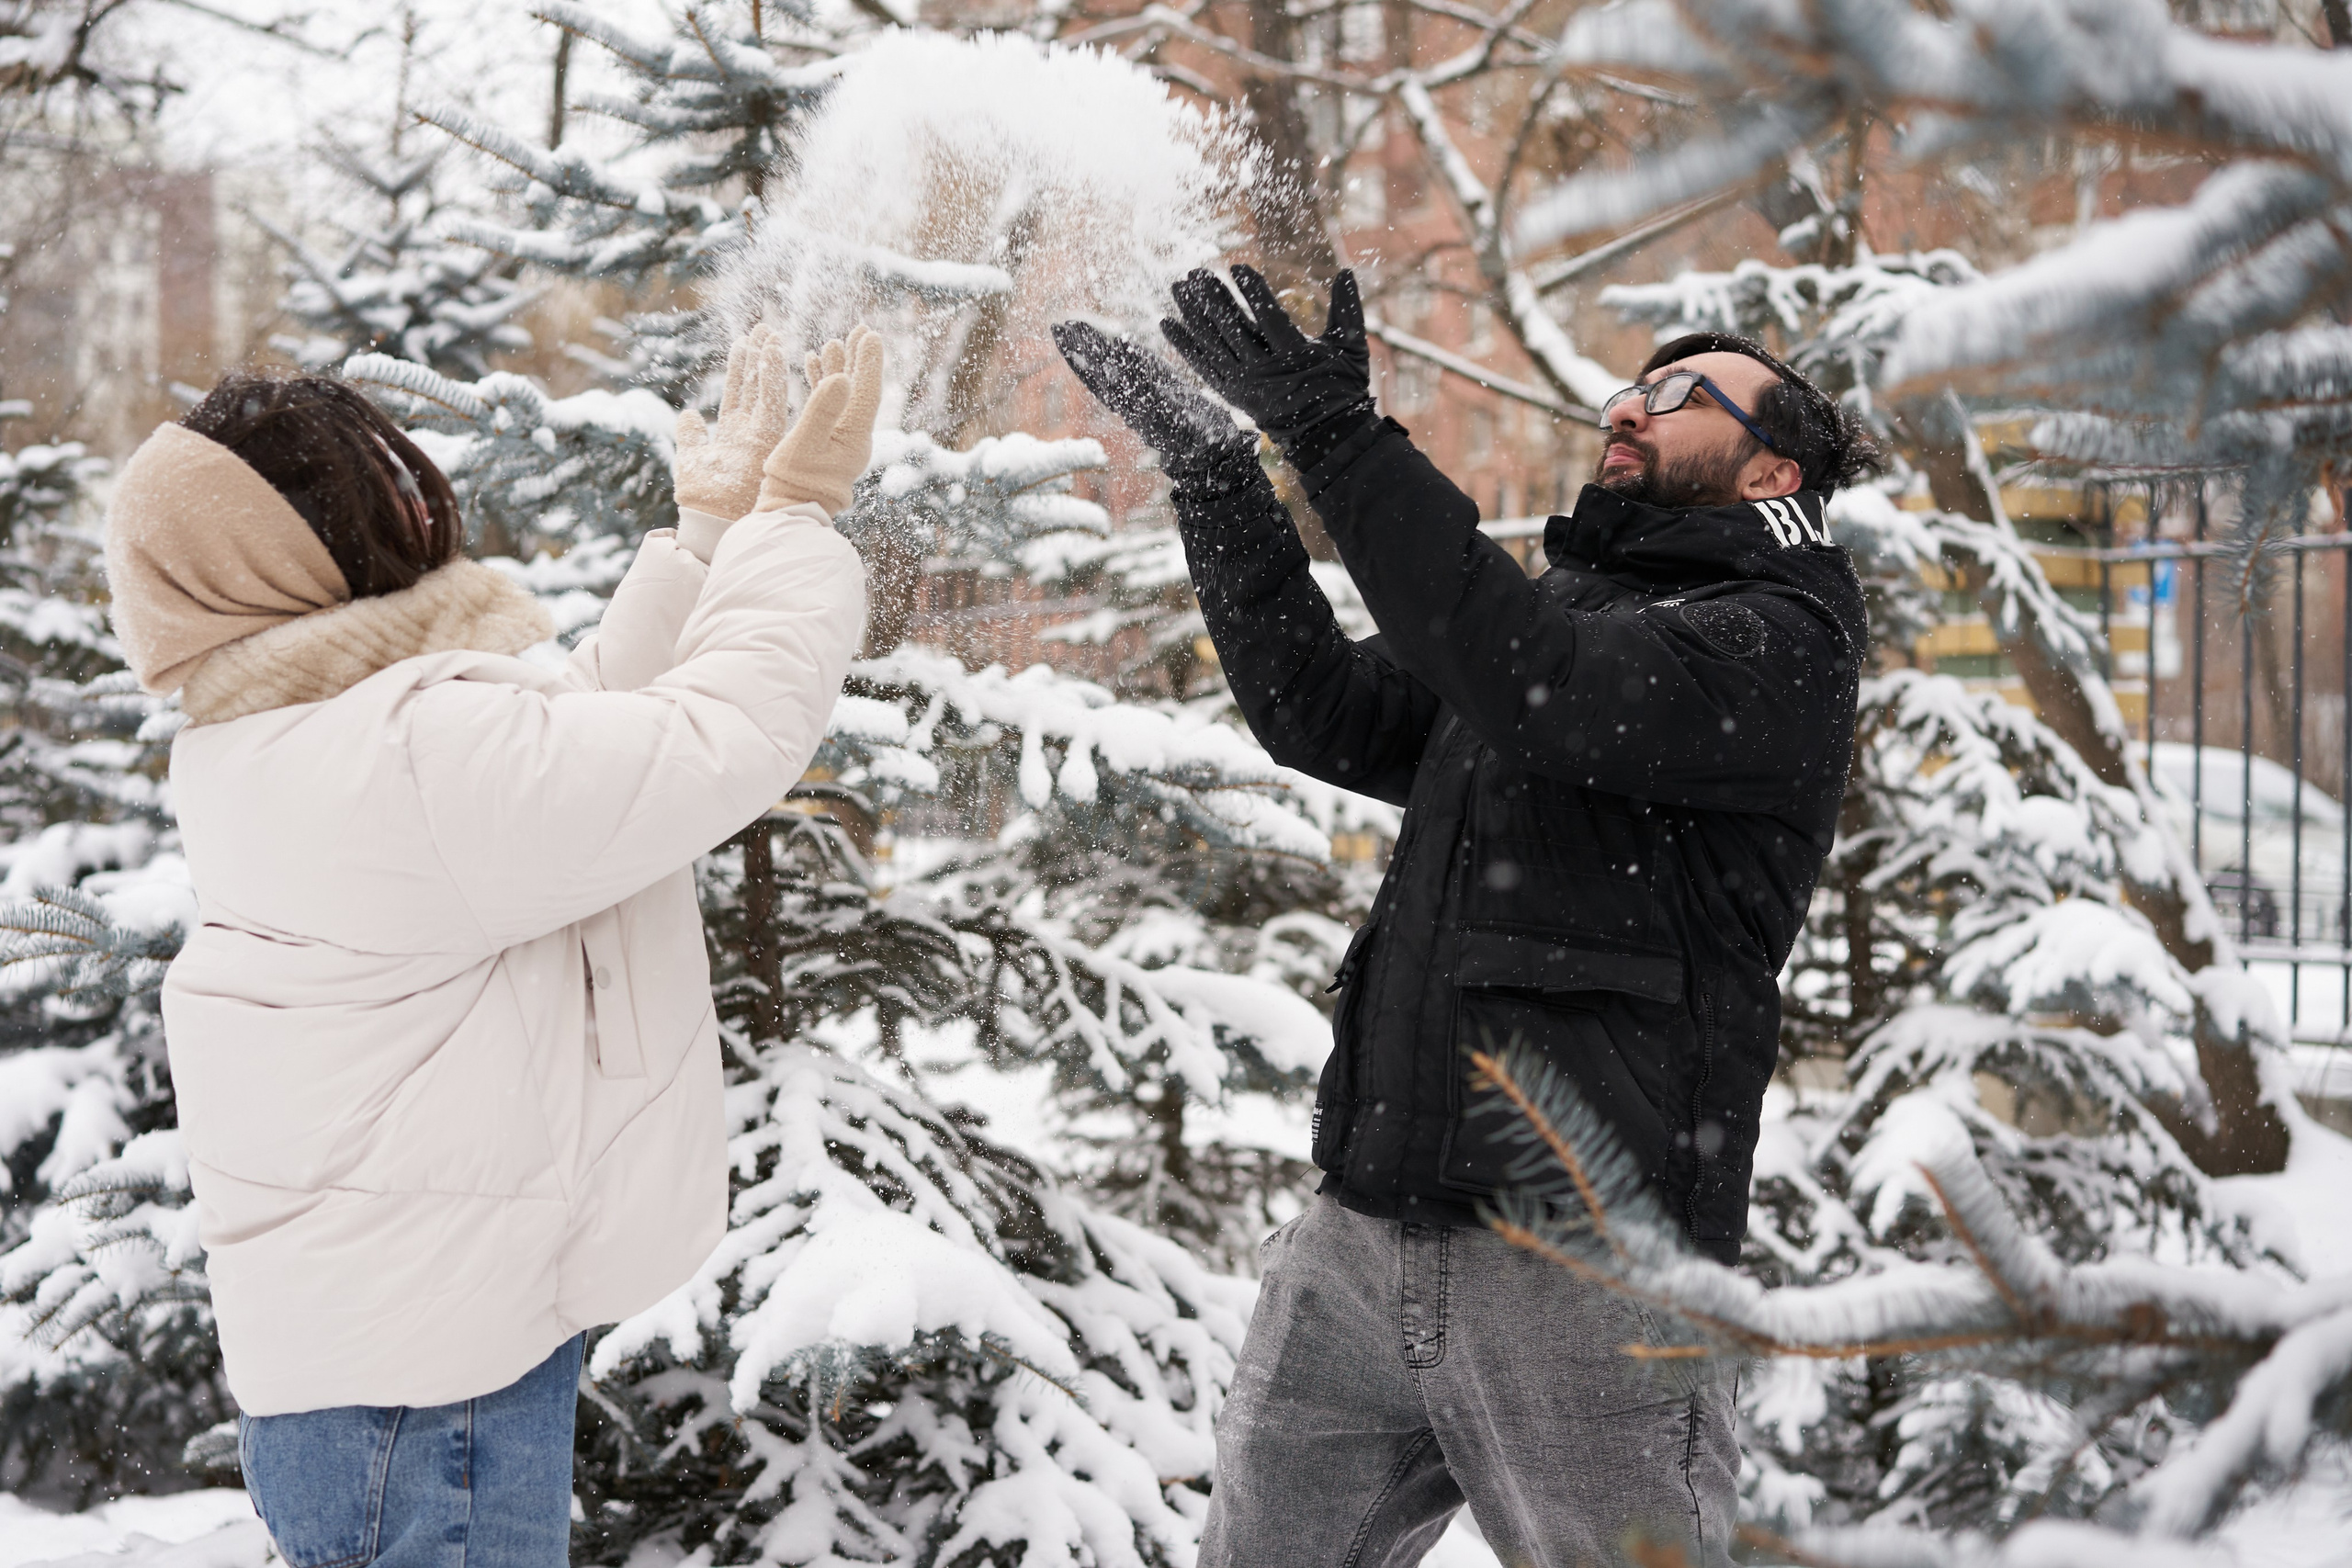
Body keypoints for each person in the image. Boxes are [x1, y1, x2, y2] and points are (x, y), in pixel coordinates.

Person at [1056, 270, 1875, 1568]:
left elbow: (1543, 685)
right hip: (1365, 1234)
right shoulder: (1556, 625)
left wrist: (1337, 435)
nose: (1633, 404)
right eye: (1629, 386)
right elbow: (1321, 707)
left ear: (1775, 473)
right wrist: (1218, 475)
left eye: (1680, 394)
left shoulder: (1778, 640)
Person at [105, 325, 883, 1568]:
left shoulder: (293, 740)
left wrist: (704, 548)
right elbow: (705, 742)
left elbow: (564, 751)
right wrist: (794, 520)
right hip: (424, 1397)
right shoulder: (400, 762)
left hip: (385, 1369)